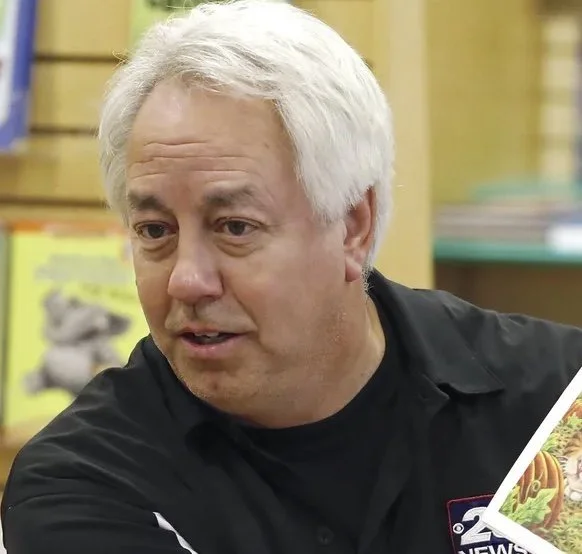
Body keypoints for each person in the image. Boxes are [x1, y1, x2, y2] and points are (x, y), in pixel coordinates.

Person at [2, 1, 581, 553]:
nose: (187, 280)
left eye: (234, 227)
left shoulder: (554, 405)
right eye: (155, 231)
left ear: (352, 226)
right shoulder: (84, 484)